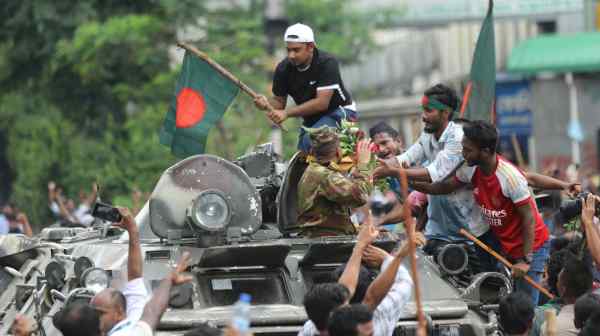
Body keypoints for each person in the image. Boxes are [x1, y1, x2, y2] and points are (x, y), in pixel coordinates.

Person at [409, 120, 550, 304]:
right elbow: (444, 187)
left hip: (532, 246)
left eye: (468, 150)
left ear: (485, 151)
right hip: (504, 245)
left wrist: (525, 260)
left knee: (523, 310)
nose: (463, 153)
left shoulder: (510, 178)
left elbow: (529, 219)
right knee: (499, 303)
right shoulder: (471, 167)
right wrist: (408, 180)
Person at [299, 216, 414, 336]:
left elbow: (349, 291)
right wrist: (391, 258)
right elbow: (375, 296)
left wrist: (360, 246)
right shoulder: (375, 322)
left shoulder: (311, 329)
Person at [254, 23, 357, 152]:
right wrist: (265, 104)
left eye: (296, 50)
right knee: (302, 156)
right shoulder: (283, 69)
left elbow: (321, 103)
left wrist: (286, 113)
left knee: (312, 142)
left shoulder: (327, 62)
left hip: (339, 112)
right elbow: (279, 103)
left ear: (310, 47)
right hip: (312, 118)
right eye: (288, 50)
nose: (291, 55)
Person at [296, 126, 372, 237]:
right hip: (327, 240)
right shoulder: (325, 176)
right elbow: (361, 197)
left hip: (320, 236)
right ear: (338, 151)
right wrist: (364, 165)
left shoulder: (314, 170)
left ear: (312, 151)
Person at [90, 207, 148, 336]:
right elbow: (135, 276)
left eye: (100, 313)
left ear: (120, 313)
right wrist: (132, 229)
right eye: (93, 314)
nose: (95, 320)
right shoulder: (135, 319)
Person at [537, 255, 593, 335]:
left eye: (558, 280)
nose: (556, 283)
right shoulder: (595, 320)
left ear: (563, 290)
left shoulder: (546, 324)